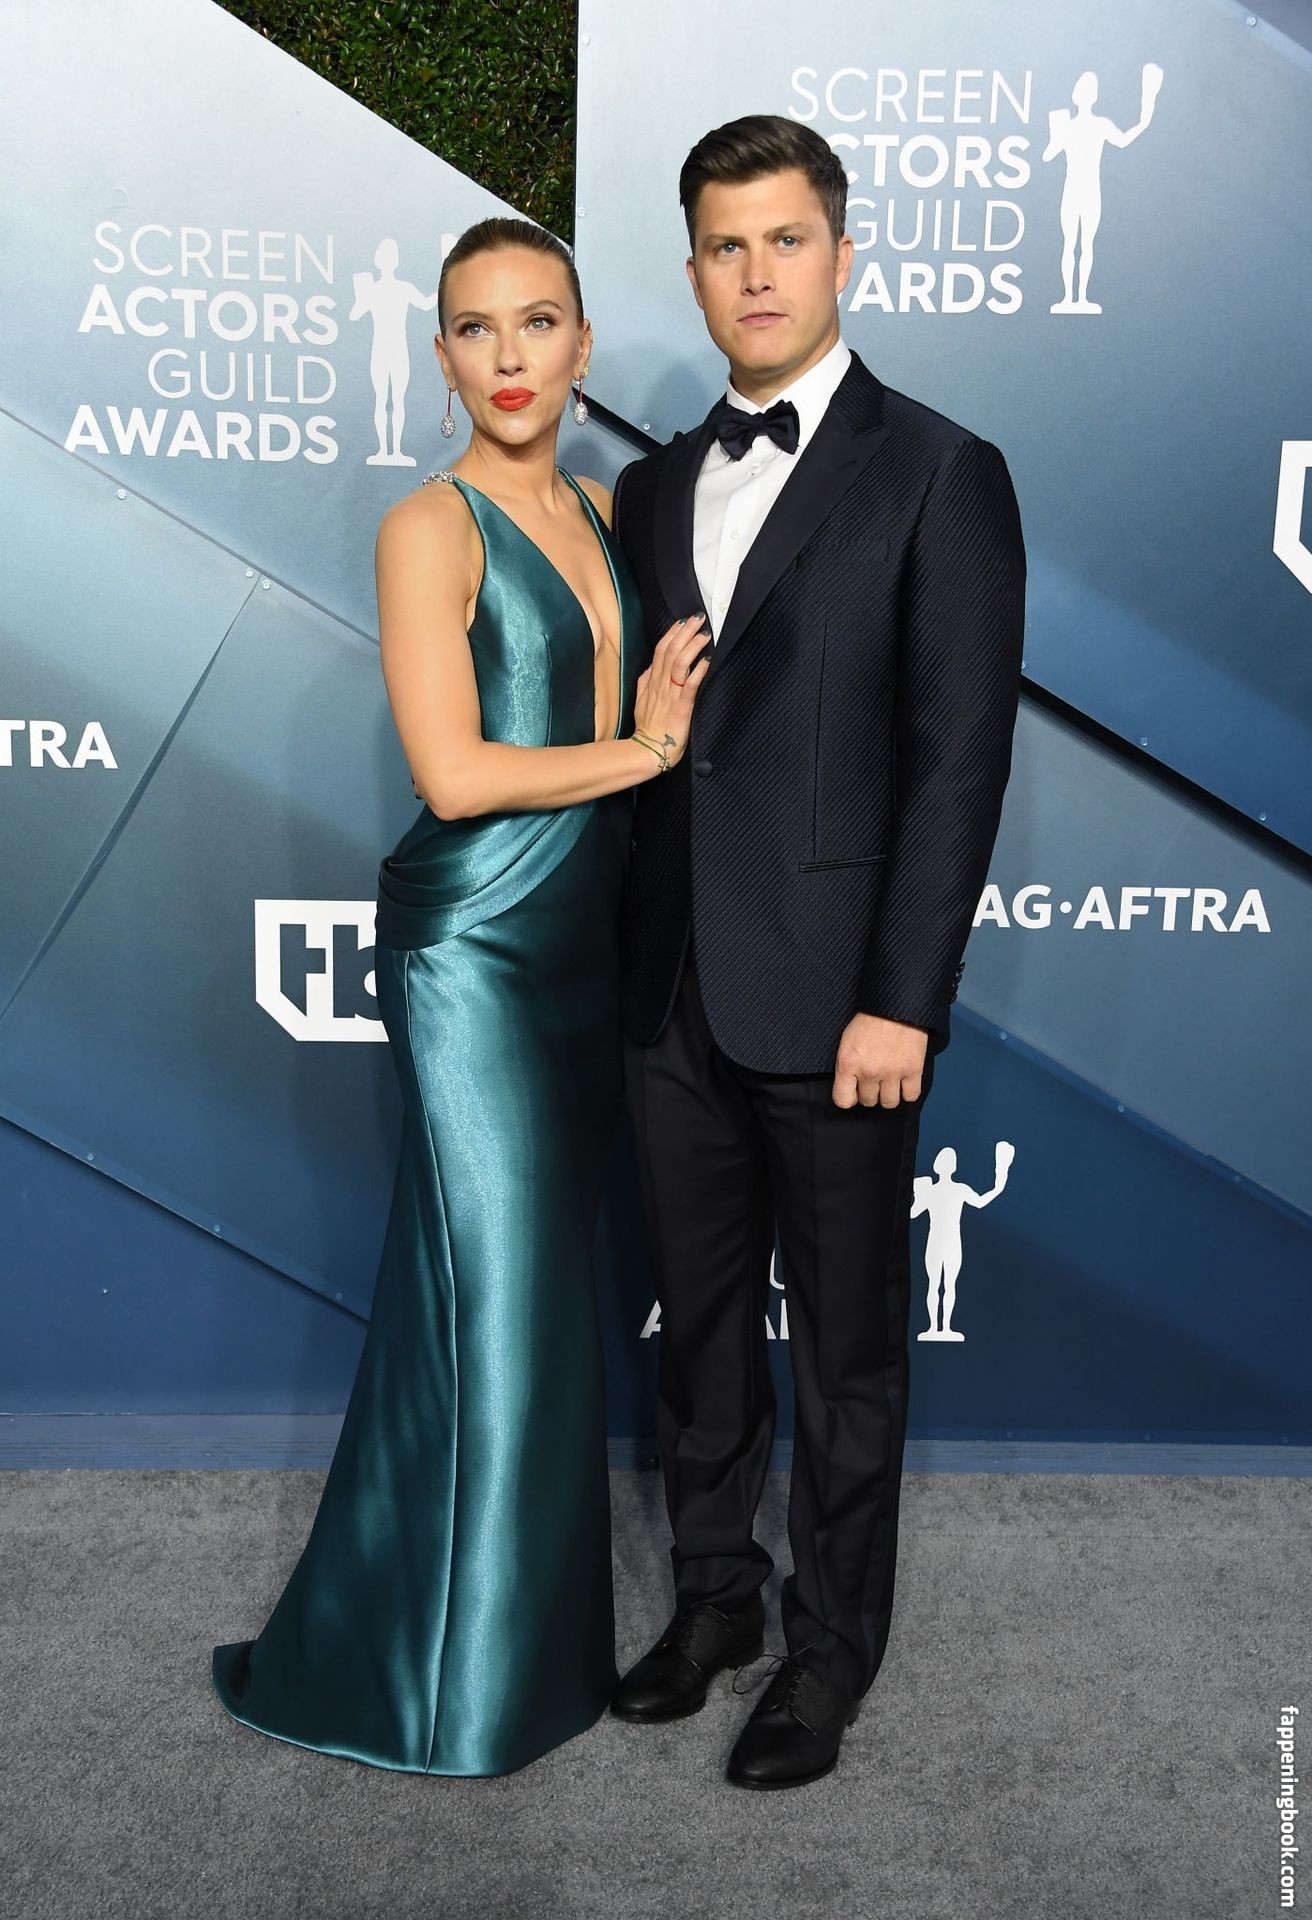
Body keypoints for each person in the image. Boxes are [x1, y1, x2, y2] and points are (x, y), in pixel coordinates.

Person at [211, 217, 709, 1778]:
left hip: (586, 943)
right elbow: (454, 772)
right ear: (440, 358)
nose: (509, 357)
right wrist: (645, 750)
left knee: (537, 1300)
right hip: (476, 948)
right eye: (477, 330)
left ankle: (518, 1644)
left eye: (537, 322)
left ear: (581, 345)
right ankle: (455, 1692)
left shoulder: (608, 509)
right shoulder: (428, 529)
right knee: (496, 1295)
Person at [608, 116, 1027, 1790]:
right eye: (726, 245)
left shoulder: (941, 469)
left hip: (843, 1003)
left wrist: (899, 1001)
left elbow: (957, 762)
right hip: (670, 990)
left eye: (786, 239)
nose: (757, 272)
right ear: (694, 269)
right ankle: (715, 1599)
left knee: (846, 1358)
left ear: (844, 254)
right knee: (698, 1332)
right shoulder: (650, 486)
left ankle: (830, 1652)